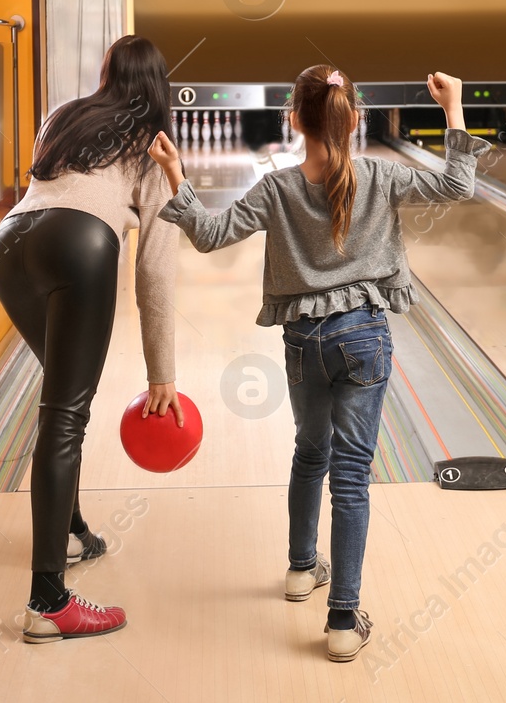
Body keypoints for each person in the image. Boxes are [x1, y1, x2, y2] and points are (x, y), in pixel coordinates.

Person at [148, 66, 486, 661]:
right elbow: (458, 187)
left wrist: (176, 172)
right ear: (354, 118)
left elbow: (208, 234)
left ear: (293, 120)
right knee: (351, 476)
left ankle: (302, 569)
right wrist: (453, 109)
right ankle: (342, 621)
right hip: (365, 335)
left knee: (310, 452)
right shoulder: (381, 175)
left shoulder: (276, 189)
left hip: (304, 340)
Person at [0, 35, 186, 643]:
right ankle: (48, 601)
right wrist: (163, 373)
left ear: (106, 73)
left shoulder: (63, 116)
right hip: (80, 247)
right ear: (159, 86)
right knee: (65, 416)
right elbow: (155, 265)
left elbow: (46, 186)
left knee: (60, 404)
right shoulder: (154, 144)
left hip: (11, 245)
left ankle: (71, 529)